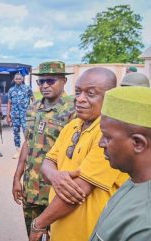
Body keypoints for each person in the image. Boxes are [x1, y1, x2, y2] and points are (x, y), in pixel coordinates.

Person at [29, 67, 129, 241]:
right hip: (61, 229)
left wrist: (39, 223)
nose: (80, 99)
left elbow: (78, 191)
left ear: (110, 97)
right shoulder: (72, 125)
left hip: (90, 232)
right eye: (78, 92)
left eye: (91, 93)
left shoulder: (110, 134)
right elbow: (47, 162)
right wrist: (56, 176)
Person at [12, 61, 75, 235]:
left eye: (50, 81)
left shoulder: (74, 110)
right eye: (41, 82)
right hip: (31, 188)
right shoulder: (33, 108)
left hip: (55, 192)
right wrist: (17, 177)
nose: (44, 85)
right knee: (32, 234)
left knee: (55, 235)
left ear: (63, 81)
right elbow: (27, 142)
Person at [90, 87, 151, 240]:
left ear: (138, 143)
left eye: (107, 137)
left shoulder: (145, 225)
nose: (100, 143)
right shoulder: (134, 179)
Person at [6, 73, 34, 159]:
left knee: (27, 132)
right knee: (16, 133)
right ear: (14, 80)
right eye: (16, 79)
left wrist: (34, 111)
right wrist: (8, 116)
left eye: (19, 78)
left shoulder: (27, 88)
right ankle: (18, 151)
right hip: (15, 115)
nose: (18, 80)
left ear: (22, 79)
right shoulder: (11, 90)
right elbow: (9, 103)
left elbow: (33, 99)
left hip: (25, 115)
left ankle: (28, 151)